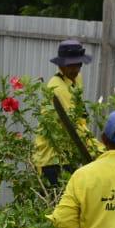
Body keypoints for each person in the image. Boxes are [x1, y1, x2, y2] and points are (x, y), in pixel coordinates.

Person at [33, 39, 103, 186]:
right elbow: (75, 126)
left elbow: (79, 114)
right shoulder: (57, 87)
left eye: (78, 64)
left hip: (67, 153)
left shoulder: (76, 78)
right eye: (70, 65)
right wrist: (101, 151)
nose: (75, 69)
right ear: (61, 65)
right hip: (52, 159)